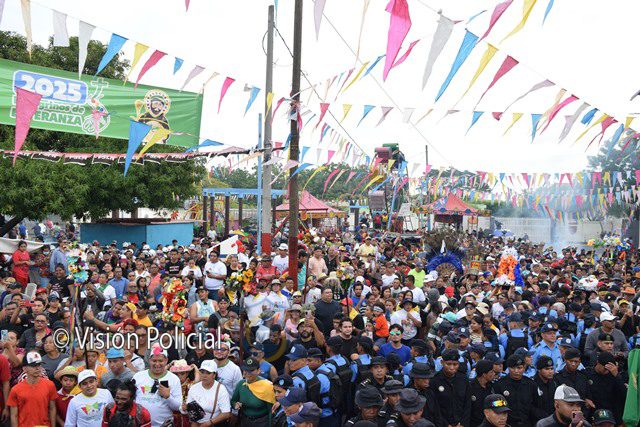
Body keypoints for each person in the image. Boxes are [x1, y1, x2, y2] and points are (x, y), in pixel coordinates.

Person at [132, 345, 182, 427]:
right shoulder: (138, 376)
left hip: (164, 425)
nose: (157, 364)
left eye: (160, 361)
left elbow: (178, 407)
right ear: (149, 360)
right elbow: (131, 400)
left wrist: (168, 397)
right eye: (154, 361)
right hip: (141, 424)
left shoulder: (174, 379)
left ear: (166, 360)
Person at [7, 351, 57, 427]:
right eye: (33, 365)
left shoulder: (50, 385)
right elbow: (14, 415)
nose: (37, 368)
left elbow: (52, 409)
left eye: (39, 365)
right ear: (24, 368)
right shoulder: (15, 390)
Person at [429, 348, 471, 427]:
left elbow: (468, 403)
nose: (452, 368)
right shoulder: (434, 381)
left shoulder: (463, 379)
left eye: (455, 364)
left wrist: (463, 423)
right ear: (442, 362)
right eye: (448, 364)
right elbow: (435, 407)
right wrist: (446, 424)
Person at [493, 354, 538, 427]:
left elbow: (536, 406)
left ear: (524, 367)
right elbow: (497, 408)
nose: (516, 371)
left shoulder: (531, 384)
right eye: (513, 368)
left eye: (519, 368)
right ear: (508, 368)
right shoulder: (499, 385)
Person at [231, 357, 275, 427]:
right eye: (245, 369)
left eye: (251, 370)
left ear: (258, 370)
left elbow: (271, 411)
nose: (247, 373)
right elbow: (233, 401)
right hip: (244, 421)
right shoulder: (241, 384)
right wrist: (235, 405)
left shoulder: (267, 386)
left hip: (262, 423)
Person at [185, 360, 231, 426]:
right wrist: (184, 408)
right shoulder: (193, 388)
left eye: (208, 373)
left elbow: (226, 413)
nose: (204, 375)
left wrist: (209, 423)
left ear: (214, 375)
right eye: (202, 372)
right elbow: (189, 410)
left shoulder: (221, 389)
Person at [470, 360, 496, 427]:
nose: (494, 374)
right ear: (484, 374)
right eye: (491, 372)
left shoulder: (492, 387)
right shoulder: (470, 388)